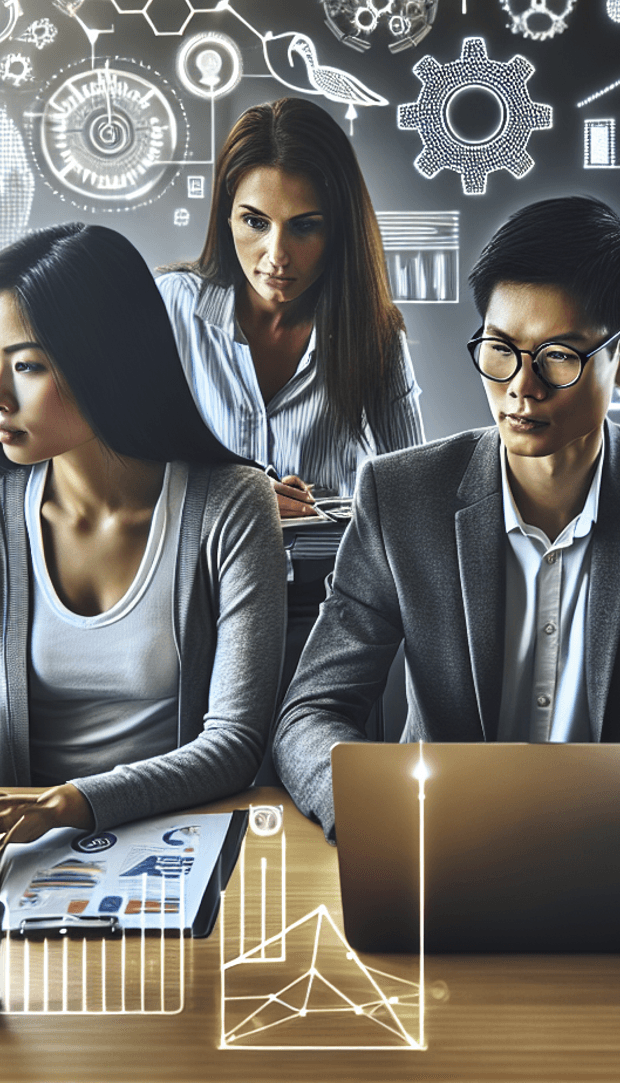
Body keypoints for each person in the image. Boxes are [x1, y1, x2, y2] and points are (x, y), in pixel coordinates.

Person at [274, 196, 620, 847]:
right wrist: (380, 818)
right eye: (500, 350)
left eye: (558, 356)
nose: (522, 387)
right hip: (445, 846)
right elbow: (312, 713)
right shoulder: (400, 498)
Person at [0, 223, 285, 841]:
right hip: (11, 844)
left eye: (26, 365)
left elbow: (234, 742)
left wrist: (67, 805)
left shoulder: (231, 505)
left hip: (176, 839)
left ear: (109, 363)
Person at [157, 97, 424, 716]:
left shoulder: (376, 335)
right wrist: (237, 501)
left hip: (333, 621)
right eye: (254, 221)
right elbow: (119, 481)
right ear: (225, 215)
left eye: (304, 226)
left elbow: (414, 501)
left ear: (339, 230)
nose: (276, 255)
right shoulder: (170, 309)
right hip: (195, 614)